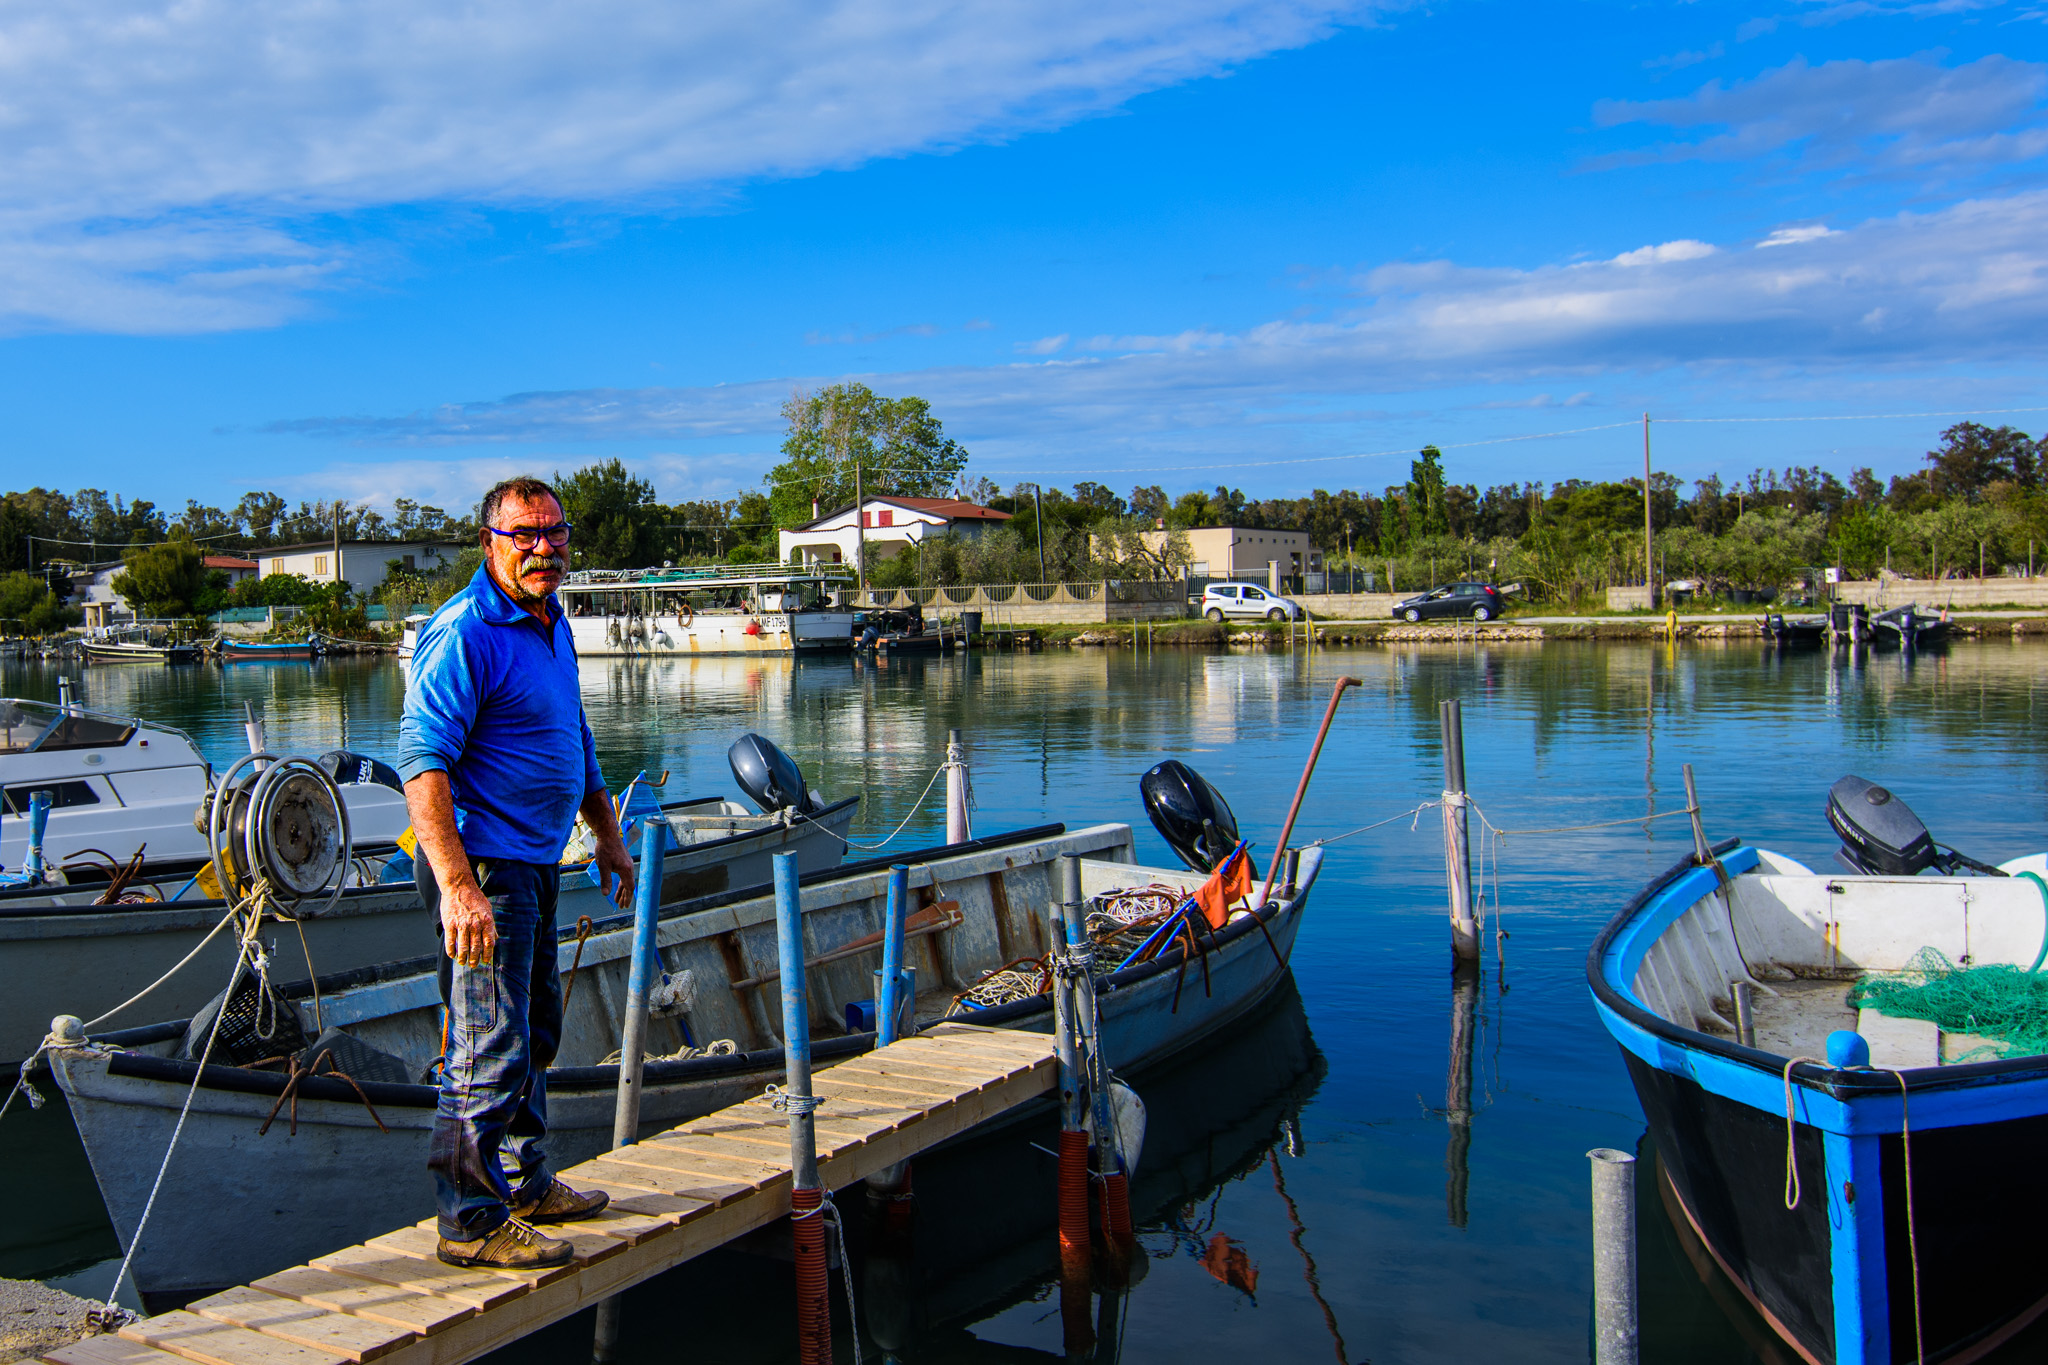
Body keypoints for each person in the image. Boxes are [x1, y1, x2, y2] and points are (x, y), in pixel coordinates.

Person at [399, 476, 638, 1271]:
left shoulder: (550, 623)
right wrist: (460, 887)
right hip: (483, 870)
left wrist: (607, 835)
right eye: (524, 535)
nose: (544, 548)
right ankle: (468, 1218)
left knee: (535, 1027)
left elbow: (577, 737)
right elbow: (422, 761)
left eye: (556, 533)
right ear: (489, 543)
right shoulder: (466, 630)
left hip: (535, 860)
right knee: (486, 1039)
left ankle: (526, 1183)